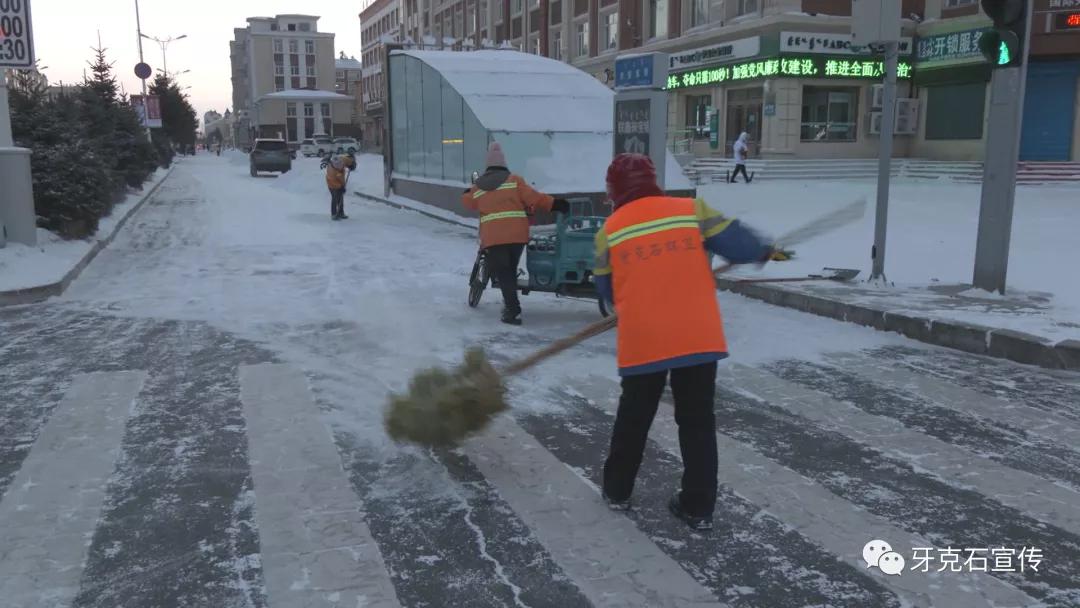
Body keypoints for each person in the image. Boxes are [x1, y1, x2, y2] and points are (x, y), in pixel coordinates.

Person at [593, 153, 774, 531]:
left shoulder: (609, 230)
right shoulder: (691, 210)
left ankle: (617, 490)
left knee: (634, 418)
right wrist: (763, 249)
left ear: (613, 192)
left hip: (644, 339)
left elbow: (607, 292)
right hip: (696, 336)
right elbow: (738, 243)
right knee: (696, 422)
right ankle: (697, 506)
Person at [462, 142, 569, 325]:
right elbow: (534, 198)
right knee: (509, 269)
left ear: (487, 165)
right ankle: (511, 305)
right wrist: (556, 204)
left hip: (494, 239)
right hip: (517, 237)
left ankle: (513, 311)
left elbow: (468, 202)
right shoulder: (514, 181)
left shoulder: (478, 187)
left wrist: (466, 192)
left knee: (504, 273)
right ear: (504, 164)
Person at [326, 153, 356, 221]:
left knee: (341, 197)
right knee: (335, 197)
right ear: (334, 165)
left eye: (341, 165)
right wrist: (341, 187)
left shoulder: (342, 159)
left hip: (340, 181)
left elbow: (348, 160)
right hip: (332, 184)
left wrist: (351, 165)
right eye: (338, 166)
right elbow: (333, 182)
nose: (341, 167)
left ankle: (341, 213)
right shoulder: (332, 171)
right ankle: (334, 214)